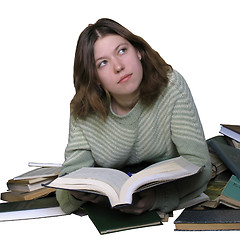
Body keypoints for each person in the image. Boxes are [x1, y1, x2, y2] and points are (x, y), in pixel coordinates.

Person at [56, 18, 212, 215]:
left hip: (163, 195)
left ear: (138, 51)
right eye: (103, 63)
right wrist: (76, 194)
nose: (118, 66)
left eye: (122, 51)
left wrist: (159, 198)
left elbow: (201, 166)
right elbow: (68, 179)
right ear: (94, 77)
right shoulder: (84, 108)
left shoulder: (171, 86)